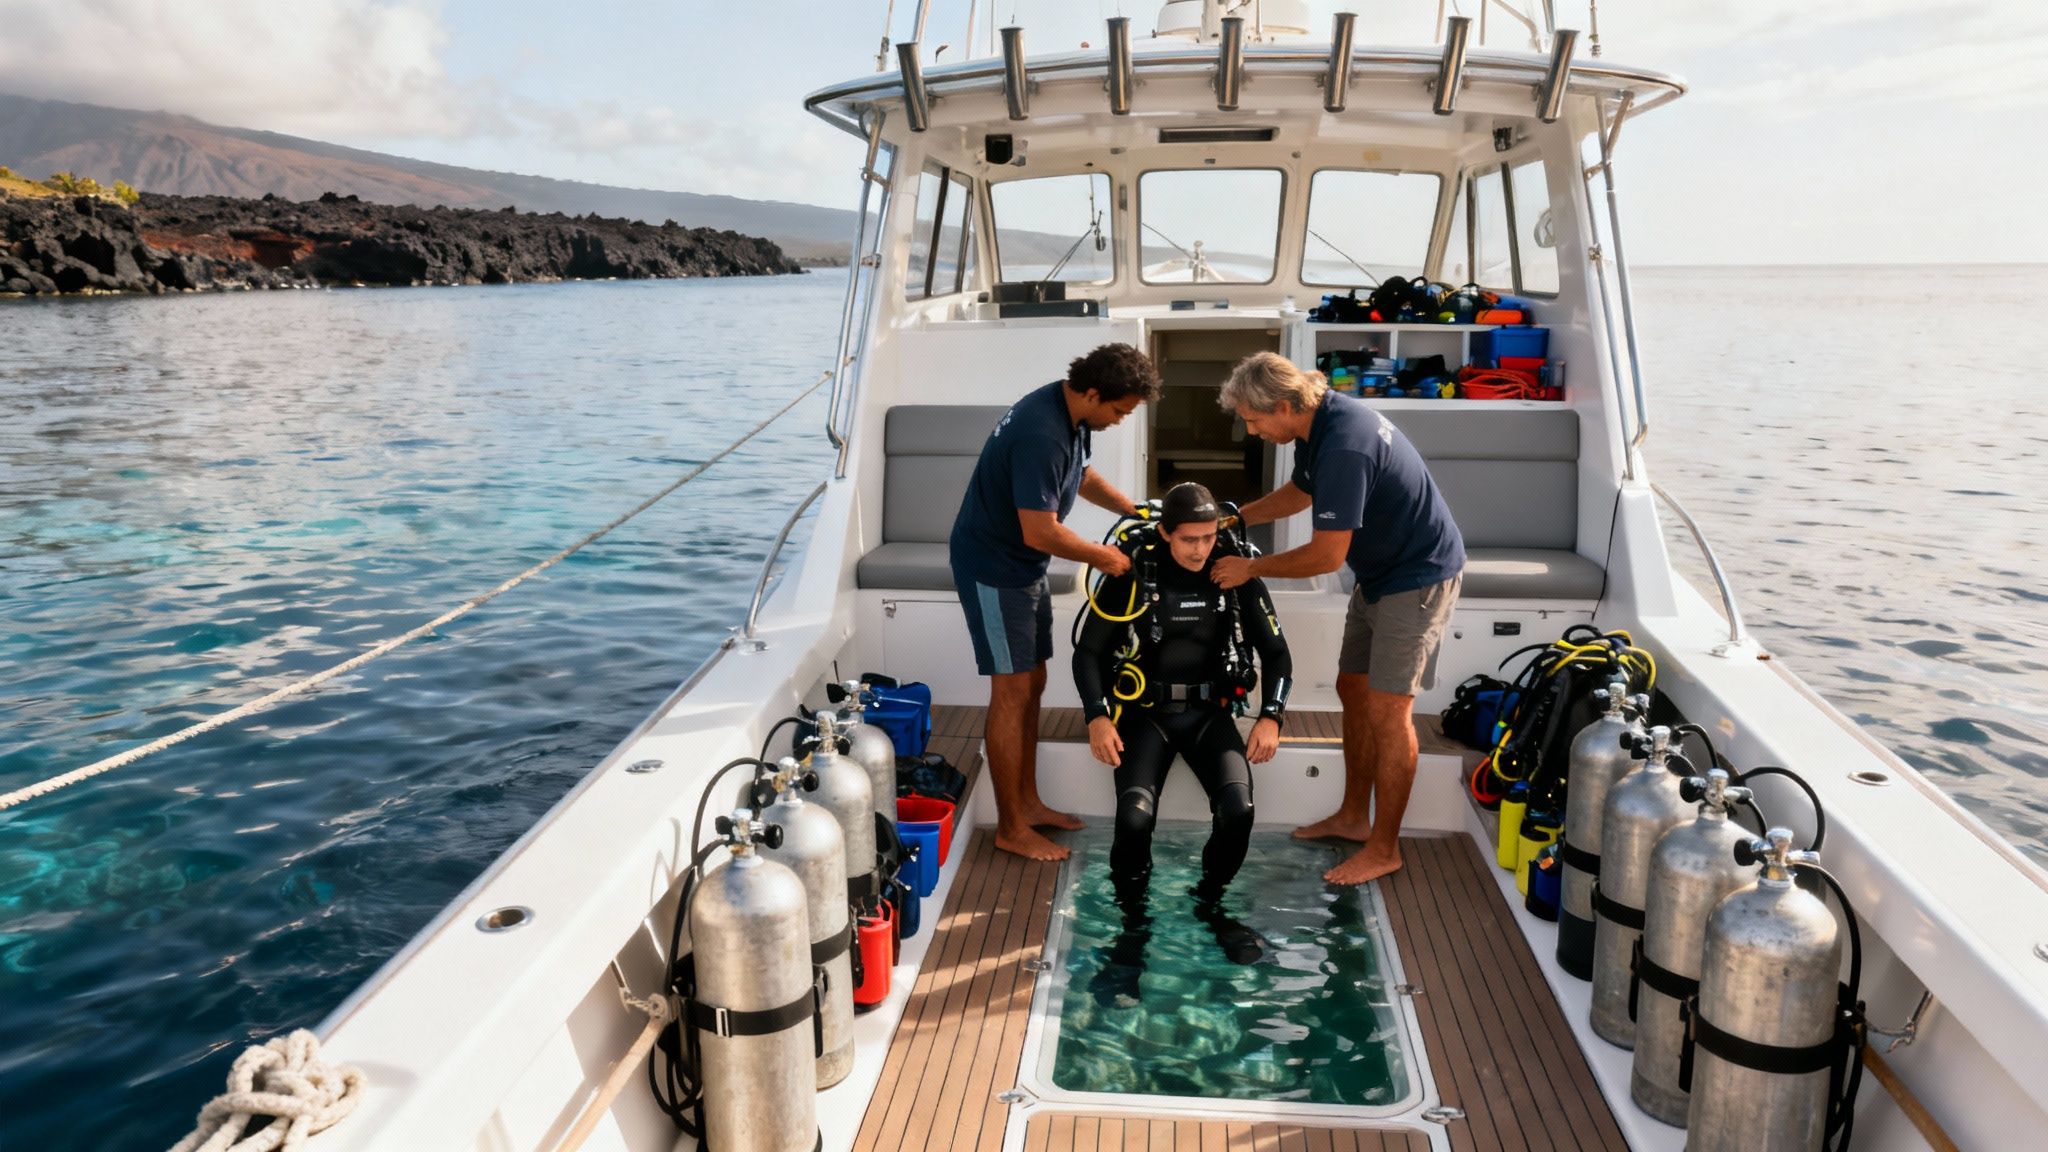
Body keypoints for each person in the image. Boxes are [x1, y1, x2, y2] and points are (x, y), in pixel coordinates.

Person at [1210, 352, 1464, 886]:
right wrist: (1236, 515)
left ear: (1283, 406)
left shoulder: (1346, 443)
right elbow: (1302, 492)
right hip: (1380, 574)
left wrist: (1250, 566)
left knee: (1390, 709)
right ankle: (1353, 816)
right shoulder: (1318, 421)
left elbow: (1326, 558)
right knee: (1353, 688)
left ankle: (1384, 847)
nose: (1252, 432)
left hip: (1417, 578)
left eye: (1254, 421)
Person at [1072, 482, 1291, 997]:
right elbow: (1088, 654)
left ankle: (1210, 905)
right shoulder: (1132, 576)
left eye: (1210, 537)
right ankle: (1132, 932)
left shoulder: (1235, 574)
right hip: (1144, 714)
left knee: (1239, 810)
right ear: (1165, 532)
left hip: (1209, 715)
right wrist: (1097, 717)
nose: (1200, 549)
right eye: (1188, 538)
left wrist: (1271, 717)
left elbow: (1277, 655)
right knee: (1132, 819)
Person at [949, 343, 1160, 861]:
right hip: (995, 567)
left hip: (1024, 566)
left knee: (1034, 680)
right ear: (1092, 392)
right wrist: (1105, 557)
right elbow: (1039, 530)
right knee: (1012, 690)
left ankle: (1029, 802)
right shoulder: (1042, 431)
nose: (1118, 419)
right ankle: (1010, 826)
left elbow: (1081, 476)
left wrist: (1132, 509)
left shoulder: (1069, 414)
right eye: (1118, 410)